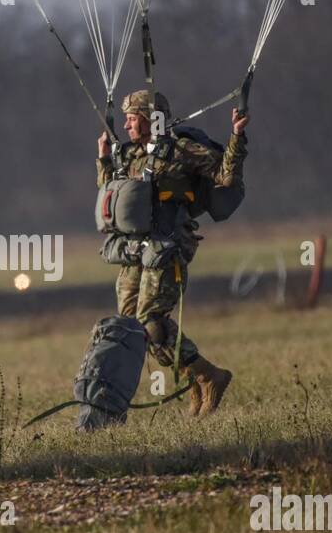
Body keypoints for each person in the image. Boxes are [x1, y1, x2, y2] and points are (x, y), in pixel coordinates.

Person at [95, 89, 248, 415]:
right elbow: (110, 192)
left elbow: (224, 173)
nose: (126, 124)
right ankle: (195, 380)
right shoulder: (130, 153)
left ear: (150, 119)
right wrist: (105, 158)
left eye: (132, 118)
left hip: (167, 247)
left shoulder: (179, 150)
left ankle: (209, 376)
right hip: (133, 251)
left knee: (151, 322)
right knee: (132, 328)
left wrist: (237, 136)